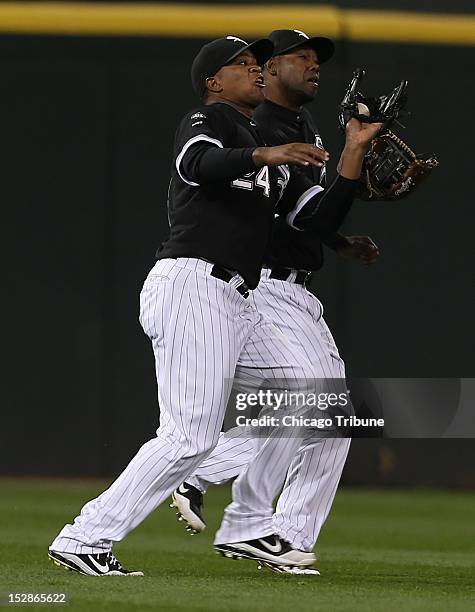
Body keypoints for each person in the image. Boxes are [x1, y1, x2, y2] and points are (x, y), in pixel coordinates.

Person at [47, 35, 338, 577]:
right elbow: (195, 163)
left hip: (237, 298)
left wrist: (349, 177)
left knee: (313, 397)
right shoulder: (210, 121)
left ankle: (249, 525)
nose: (254, 72)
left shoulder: (256, 134)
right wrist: (262, 153)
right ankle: (85, 536)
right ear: (213, 81)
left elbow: (304, 220)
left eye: (257, 65)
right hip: (194, 285)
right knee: (188, 434)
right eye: (242, 65)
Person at [170, 29, 381, 574]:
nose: (313, 67)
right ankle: (207, 474)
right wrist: (349, 162)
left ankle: (285, 537)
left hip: (292, 286)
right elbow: (266, 206)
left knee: (336, 420)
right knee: (319, 403)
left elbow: (307, 215)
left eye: (317, 60)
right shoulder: (253, 124)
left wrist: (337, 229)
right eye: (301, 58)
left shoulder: (299, 125)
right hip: (260, 284)